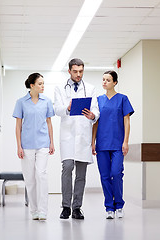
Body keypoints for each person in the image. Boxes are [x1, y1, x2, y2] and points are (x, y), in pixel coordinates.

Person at [54, 58, 100, 220]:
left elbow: (95, 109)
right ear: (69, 71)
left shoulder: (91, 88)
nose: (78, 74)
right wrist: (66, 108)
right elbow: (56, 109)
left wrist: (93, 115)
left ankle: (77, 208)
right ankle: (65, 206)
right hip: (67, 135)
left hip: (83, 136)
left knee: (81, 174)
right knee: (67, 169)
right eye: (75, 71)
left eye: (81, 71)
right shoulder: (60, 88)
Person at [92, 70, 134, 219]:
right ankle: (109, 207)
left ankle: (119, 205)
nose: (104, 82)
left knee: (116, 174)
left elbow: (127, 121)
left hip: (117, 143)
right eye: (103, 79)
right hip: (102, 143)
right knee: (104, 176)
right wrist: (93, 142)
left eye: (108, 80)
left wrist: (126, 141)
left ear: (115, 82)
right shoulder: (98, 100)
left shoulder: (123, 99)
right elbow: (95, 122)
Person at [13, 73, 55, 221]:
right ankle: (34, 210)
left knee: (41, 175)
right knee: (30, 179)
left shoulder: (47, 101)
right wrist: (19, 146)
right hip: (27, 145)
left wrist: (51, 142)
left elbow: (49, 122)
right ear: (32, 86)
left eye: (43, 83)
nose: (43, 86)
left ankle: (43, 210)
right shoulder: (21, 102)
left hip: (43, 144)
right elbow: (18, 126)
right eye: (40, 84)